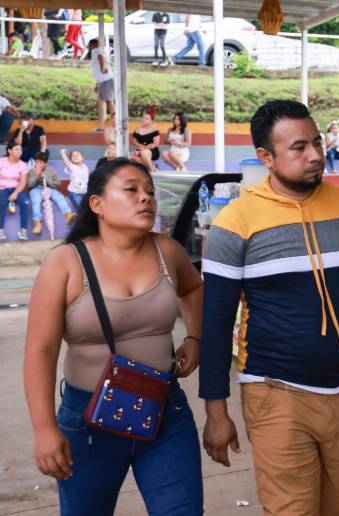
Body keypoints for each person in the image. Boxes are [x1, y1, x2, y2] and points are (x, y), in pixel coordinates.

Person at [199, 100, 339, 515]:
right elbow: (216, 324)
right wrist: (216, 411)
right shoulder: (234, 223)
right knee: (292, 509)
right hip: (275, 393)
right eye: (298, 147)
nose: (315, 155)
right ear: (266, 157)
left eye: (317, 142)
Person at [24, 158, 205, 515]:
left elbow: (194, 288)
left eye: (150, 192)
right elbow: (40, 351)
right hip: (88, 421)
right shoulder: (65, 262)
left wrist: (194, 338)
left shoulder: (167, 251)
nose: (146, 198)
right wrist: (44, 429)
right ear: (97, 204)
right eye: (131, 190)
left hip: (165, 412)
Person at [27, 152, 76, 234]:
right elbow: (30, 185)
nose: (38, 164)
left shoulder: (51, 170)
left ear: (45, 163)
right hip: (36, 189)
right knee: (36, 201)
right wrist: (37, 176)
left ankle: (68, 214)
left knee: (59, 197)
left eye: (41, 162)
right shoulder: (32, 171)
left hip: (50, 189)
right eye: (37, 162)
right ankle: (37, 222)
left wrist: (46, 180)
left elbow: (58, 183)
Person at [0, 142, 31, 241]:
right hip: (1, 188)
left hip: (16, 188)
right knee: (2, 203)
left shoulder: (23, 165)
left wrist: (15, 193)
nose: (19, 152)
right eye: (16, 149)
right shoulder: (0, 162)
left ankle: (23, 230)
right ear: (9, 151)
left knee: (25, 202)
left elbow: (23, 182)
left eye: (20, 150)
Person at [88, 38, 115, 132]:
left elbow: (100, 57)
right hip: (103, 80)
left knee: (108, 102)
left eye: (89, 45)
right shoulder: (99, 50)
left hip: (105, 80)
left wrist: (102, 68)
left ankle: (113, 125)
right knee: (104, 102)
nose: (88, 47)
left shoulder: (95, 51)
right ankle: (103, 126)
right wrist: (97, 83)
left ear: (92, 45)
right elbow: (97, 70)